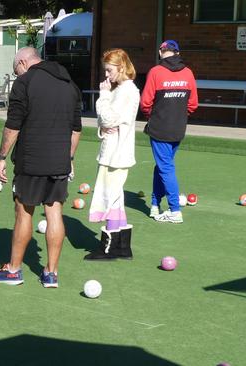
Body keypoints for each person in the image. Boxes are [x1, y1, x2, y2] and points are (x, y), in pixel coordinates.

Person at [0, 47, 82, 288]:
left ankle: (14, 270)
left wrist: (1, 157)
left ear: (22, 62)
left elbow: (13, 125)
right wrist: (68, 158)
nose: (16, 74)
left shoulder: (25, 82)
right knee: (54, 212)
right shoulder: (70, 84)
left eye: (15, 70)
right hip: (59, 161)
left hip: (31, 160)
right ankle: (51, 273)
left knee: (23, 211)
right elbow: (76, 129)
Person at [84, 49, 140, 261]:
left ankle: (109, 248)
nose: (106, 75)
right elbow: (106, 123)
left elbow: (107, 119)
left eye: (109, 70)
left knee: (110, 196)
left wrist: (104, 96)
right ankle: (123, 248)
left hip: (117, 152)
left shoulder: (126, 90)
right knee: (116, 197)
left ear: (121, 67)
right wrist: (104, 125)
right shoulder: (123, 89)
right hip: (113, 149)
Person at [140, 40, 198, 224]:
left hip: (160, 128)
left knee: (166, 167)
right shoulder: (188, 72)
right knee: (162, 166)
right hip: (178, 128)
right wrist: (179, 115)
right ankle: (155, 205)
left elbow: (145, 103)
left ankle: (175, 210)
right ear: (177, 53)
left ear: (160, 51)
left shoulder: (156, 72)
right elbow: (193, 104)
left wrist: (155, 116)